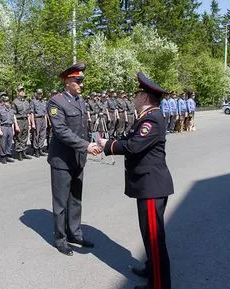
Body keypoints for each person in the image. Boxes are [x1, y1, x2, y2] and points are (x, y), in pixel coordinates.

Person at [99, 72, 174, 289]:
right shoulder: (145, 117)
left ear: (145, 97)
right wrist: (108, 142)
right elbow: (129, 139)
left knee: (154, 238)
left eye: (138, 93)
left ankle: (158, 285)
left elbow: (133, 146)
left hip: (151, 186)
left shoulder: (152, 118)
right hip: (147, 185)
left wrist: (106, 146)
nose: (135, 96)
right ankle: (151, 268)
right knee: (149, 235)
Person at [47, 62, 101, 256]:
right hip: (62, 160)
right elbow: (61, 131)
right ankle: (61, 239)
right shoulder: (56, 102)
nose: (81, 84)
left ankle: (75, 233)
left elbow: (82, 127)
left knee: (76, 199)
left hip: (78, 158)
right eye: (78, 80)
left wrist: (94, 140)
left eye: (81, 80)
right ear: (67, 81)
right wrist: (86, 146)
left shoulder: (80, 100)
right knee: (61, 203)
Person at [0, 92, 18, 164]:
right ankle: (3, 156)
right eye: (6, 101)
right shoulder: (0, 109)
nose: (7, 103)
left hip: (10, 127)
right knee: (3, 143)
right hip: (3, 127)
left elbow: (12, 120)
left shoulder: (11, 110)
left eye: (8, 101)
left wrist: (13, 129)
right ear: (3, 102)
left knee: (9, 142)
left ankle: (7, 155)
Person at [12, 86, 32, 161]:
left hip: (25, 120)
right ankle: (19, 153)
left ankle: (24, 152)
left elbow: (29, 113)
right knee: (18, 137)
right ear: (18, 92)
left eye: (23, 90)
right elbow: (13, 114)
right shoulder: (15, 101)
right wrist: (16, 125)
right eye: (20, 91)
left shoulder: (26, 101)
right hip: (19, 120)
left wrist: (29, 123)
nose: (22, 92)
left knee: (25, 136)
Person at [30, 89, 47, 157]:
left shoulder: (44, 102)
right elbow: (31, 113)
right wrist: (33, 123)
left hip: (43, 119)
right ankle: (36, 149)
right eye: (38, 93)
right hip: (37, 119)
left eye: (41, 93)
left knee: (43, 135)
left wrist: (45, 121)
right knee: (36, 135)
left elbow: (45, 113)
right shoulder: (33, 102)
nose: (40, 95)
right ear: (36, 94)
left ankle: (40, 148)